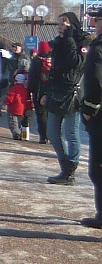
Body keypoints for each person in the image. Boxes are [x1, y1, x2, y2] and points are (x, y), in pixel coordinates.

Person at [44, 12, 87, 186]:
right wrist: (45, 93)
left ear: (72, 25)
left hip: (72, 94)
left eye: (63, 24)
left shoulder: (83, 42)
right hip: (56, 91)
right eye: (59, 24)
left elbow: (76, 63)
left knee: (71, 133)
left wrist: (69, 40)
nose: (59, 27)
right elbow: (53, 70)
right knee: (52, 133)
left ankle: (70, 173)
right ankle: (65, 167)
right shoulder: (58, 42)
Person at [79, 29, 102, 229]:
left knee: (98, 169)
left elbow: (95, 79)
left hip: (99, 116)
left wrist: (89, 107)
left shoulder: (98, 48)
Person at [28, 40, 53, 143]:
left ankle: (43, 136)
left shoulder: (36, 61)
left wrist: (30, 90)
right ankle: (52, 135)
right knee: (51, 114)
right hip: (52, 91)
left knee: (41, 114)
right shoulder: (53, 60)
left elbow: (32, 77)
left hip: (39, 91)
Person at [5, 72, 32, 141]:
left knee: (13, 123)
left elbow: (10, 97)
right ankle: (20, 133)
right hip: (22, 109)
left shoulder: (13, 88)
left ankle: (17, 133)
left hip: (13, 109)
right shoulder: (25, 89)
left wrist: (6, 102)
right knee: (19, 122)